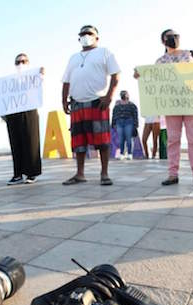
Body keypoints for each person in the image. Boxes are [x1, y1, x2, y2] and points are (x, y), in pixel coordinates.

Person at [135, 29, 193, 187]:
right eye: (169, 37)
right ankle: (172, 174)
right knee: (173, 141)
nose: (173, 39)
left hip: (191, 104)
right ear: (163, 41)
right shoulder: (160, 61)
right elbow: (152, 81)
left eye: (176, 36)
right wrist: (141, 77)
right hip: (171, 106)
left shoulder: (189, 55)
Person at [62, 25, 120, 186]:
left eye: (89, 33)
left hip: (97, 101)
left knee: (102, 139)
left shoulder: (104, 52)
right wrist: (63, 100)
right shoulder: (73, 57)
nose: (86, 36)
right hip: (76, 103)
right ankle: (79, 174)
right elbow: (66, 80)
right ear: (79, 38)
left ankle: (104, 173)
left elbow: (116, 75)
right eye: (83, 34)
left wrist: (109, 97)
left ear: (97, 37)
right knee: (78, 141)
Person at [5, 53, 43, 185]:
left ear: (28, 62)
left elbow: (39, 82)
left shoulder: (33, 75)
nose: (20, 64)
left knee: (31, 142)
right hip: (12, 113)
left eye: (23, 61)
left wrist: (41, 73)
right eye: (18, 62)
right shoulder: (10, 80)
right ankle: (17, 174)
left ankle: (32, 173)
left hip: (29, 111)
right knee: (15, 143)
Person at [111, 90, 139, 160]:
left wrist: (135, 124)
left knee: (129, 139)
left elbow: (135, 115)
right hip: (119, 123)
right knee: (121, 139)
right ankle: (122, 154)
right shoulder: (117, 105)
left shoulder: (132, 105)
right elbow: (114, 115)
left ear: (128, 95)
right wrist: (113, 123)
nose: (124, 95)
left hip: (129, 122)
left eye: (125, 94)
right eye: (122, 94)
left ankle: (129, 154)